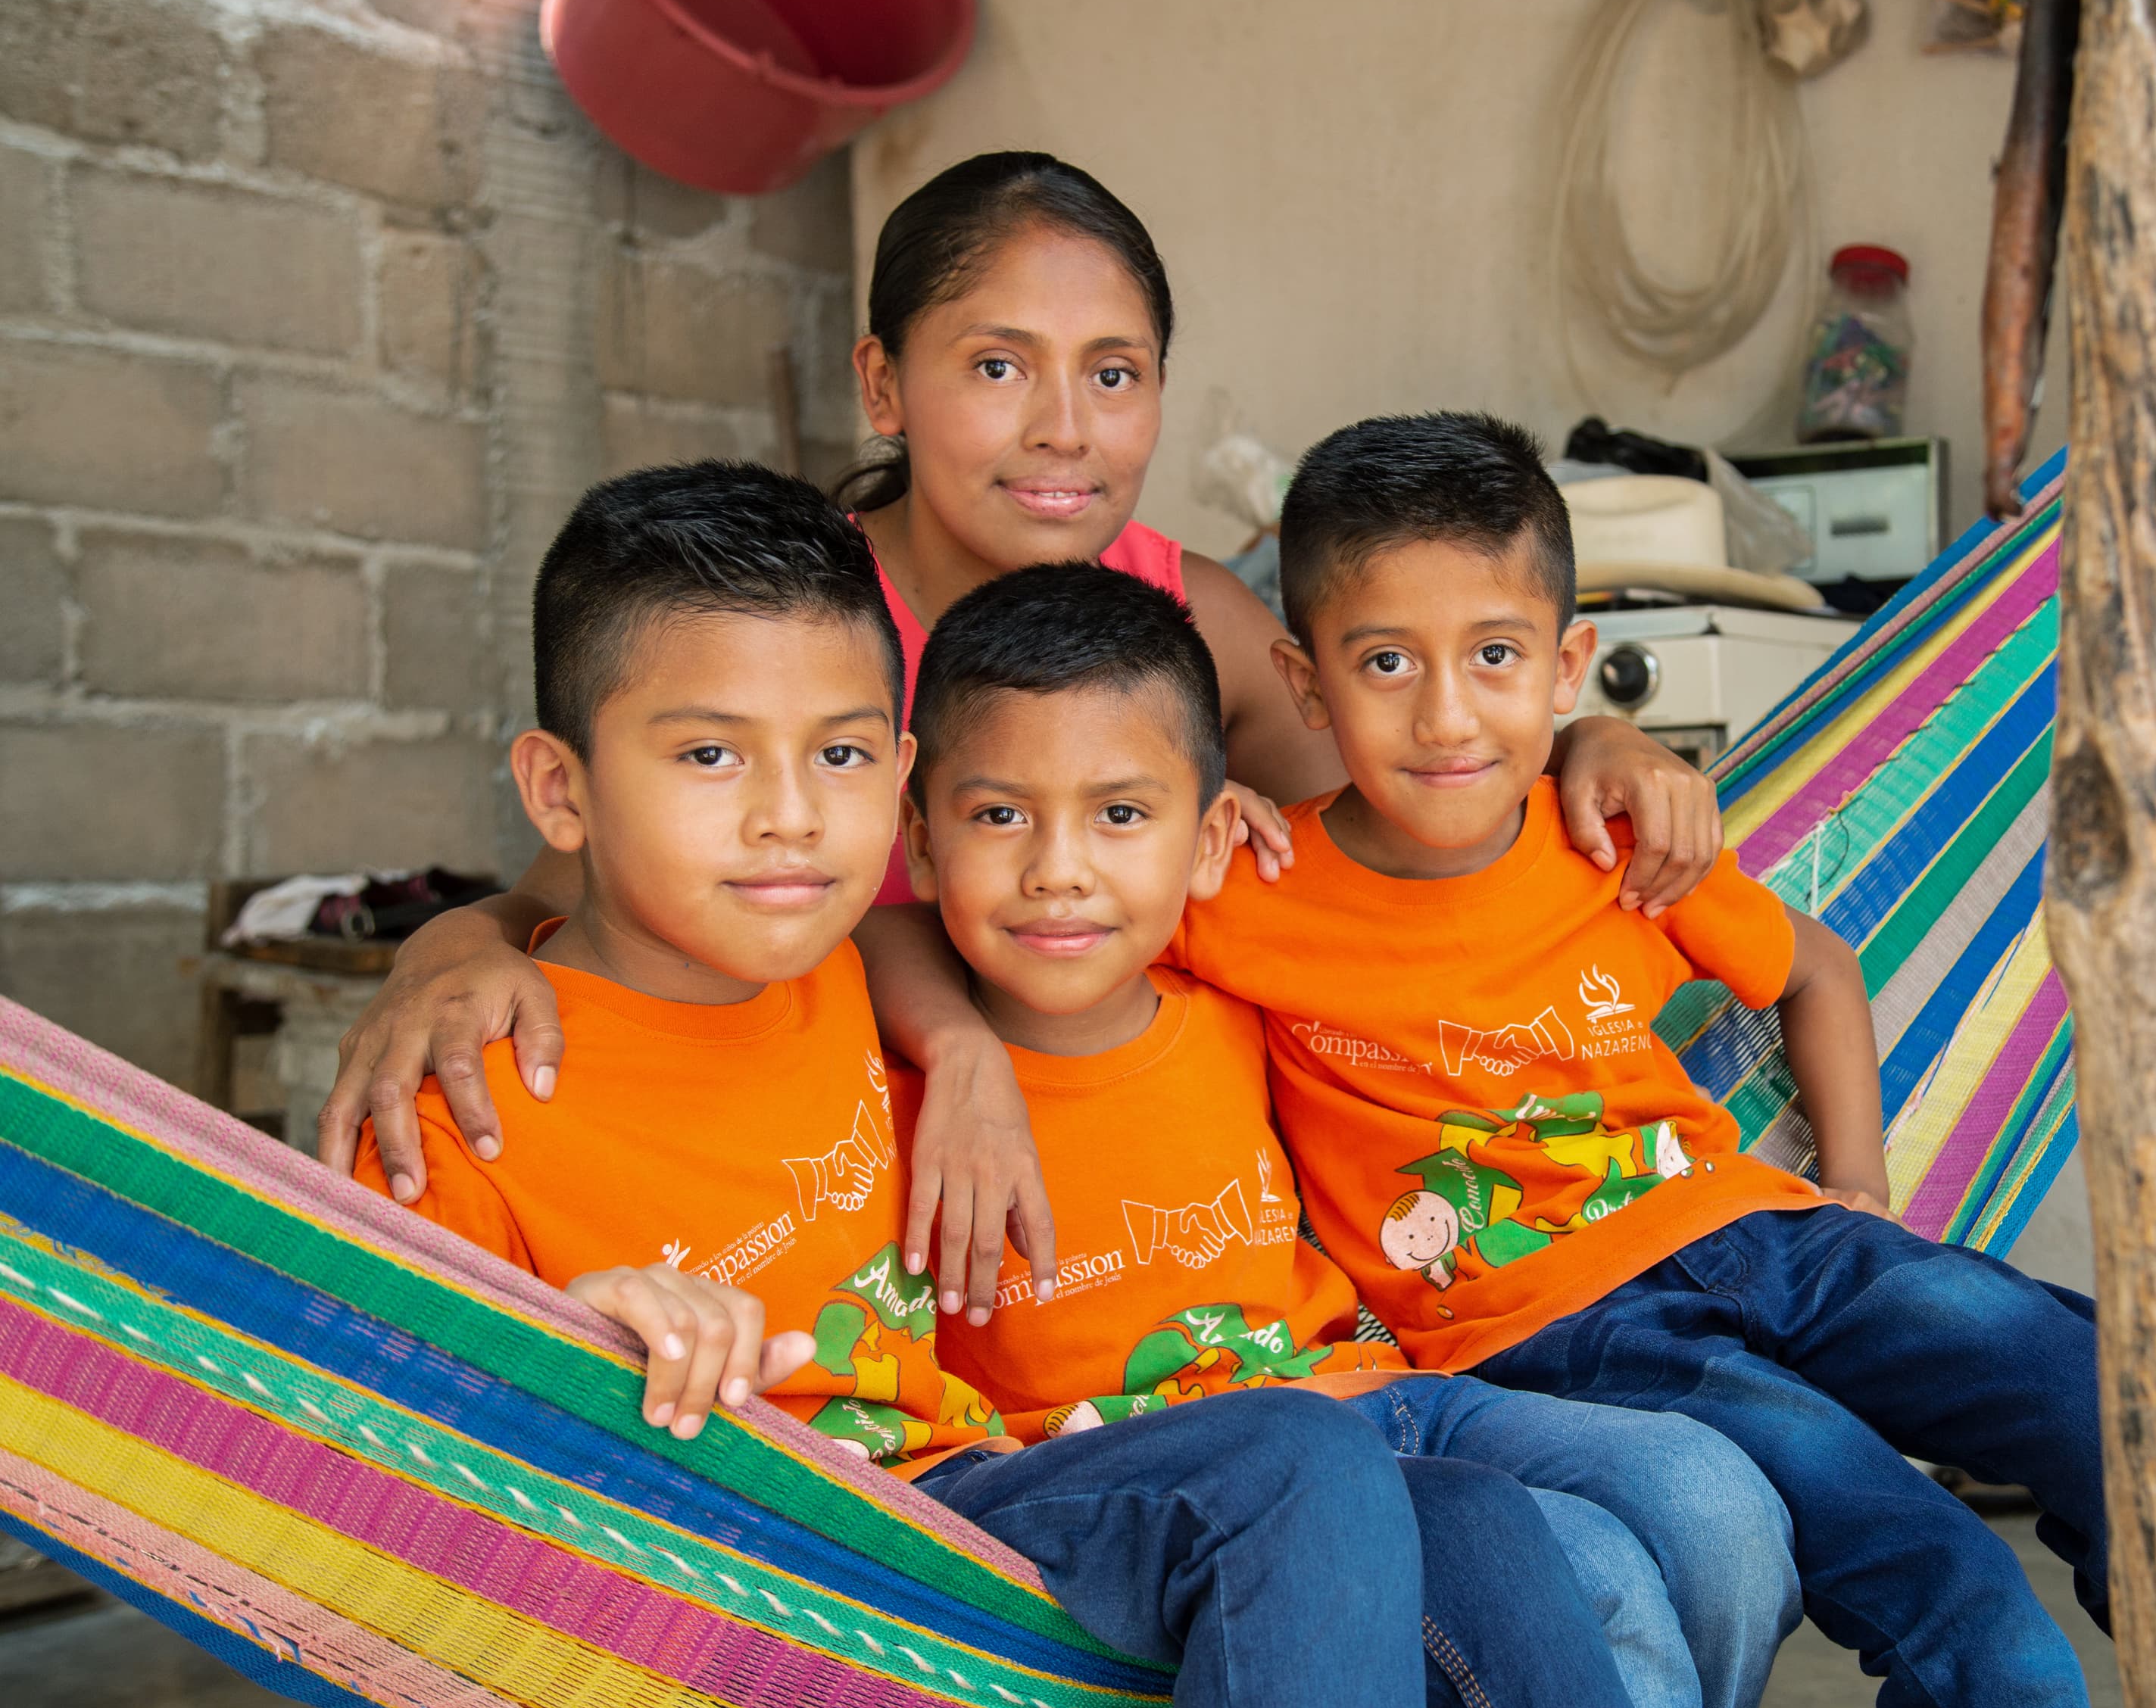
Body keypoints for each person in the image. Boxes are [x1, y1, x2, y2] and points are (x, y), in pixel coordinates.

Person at [353, 458, 1713, 1708]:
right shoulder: (459, 1093)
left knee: (1468, 1516)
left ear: (897, 783)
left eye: (837, 755)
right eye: (710, 754)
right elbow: (373, 1442)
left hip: (968, 1512)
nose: (788, 813)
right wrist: (572, 1330)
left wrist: (1589, 742)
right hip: (758, 1580)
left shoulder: (843, 971)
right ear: (561, 788)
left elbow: (1158, 882)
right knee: (1287, 1459)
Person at [322, 151, 1724, 1339]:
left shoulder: (1193, 617)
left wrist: (1584, 730)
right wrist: (445, 948)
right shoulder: (783, 624)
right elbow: (583, 889)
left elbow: (1409, 831)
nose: (1065, 429)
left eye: (1113, 374)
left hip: (1162, 1233)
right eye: (999, 365)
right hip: (856, 1232)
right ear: (884, 384)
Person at [1156, 412, 2133, 1708]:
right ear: (1305, 686)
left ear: (1563, 667)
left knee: (2098, 1395)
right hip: (1569, 1330)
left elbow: (1816, 969)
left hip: (1777, 1237)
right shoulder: (1243, 891)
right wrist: (1174, 812)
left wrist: (1857, 1183)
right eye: (1386, 665)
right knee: (1947, 1572)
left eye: (1494, 658)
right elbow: (1028, 933)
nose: (1445, 715)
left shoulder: (1606, 837)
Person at [894, 558, 1798, 1708]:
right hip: (1137, 1483)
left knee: (1710, 1507)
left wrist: (1591, 735)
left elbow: (1437, 915)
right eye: (1000, 818)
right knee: (1580, 1564)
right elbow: (802, 949)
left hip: (1371, 1401)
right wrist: (951, 1044)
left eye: (1120, 815)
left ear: (1212, 838)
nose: (1060, 870)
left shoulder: (1245, 995)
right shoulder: (889, 1066)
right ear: (919, 839)